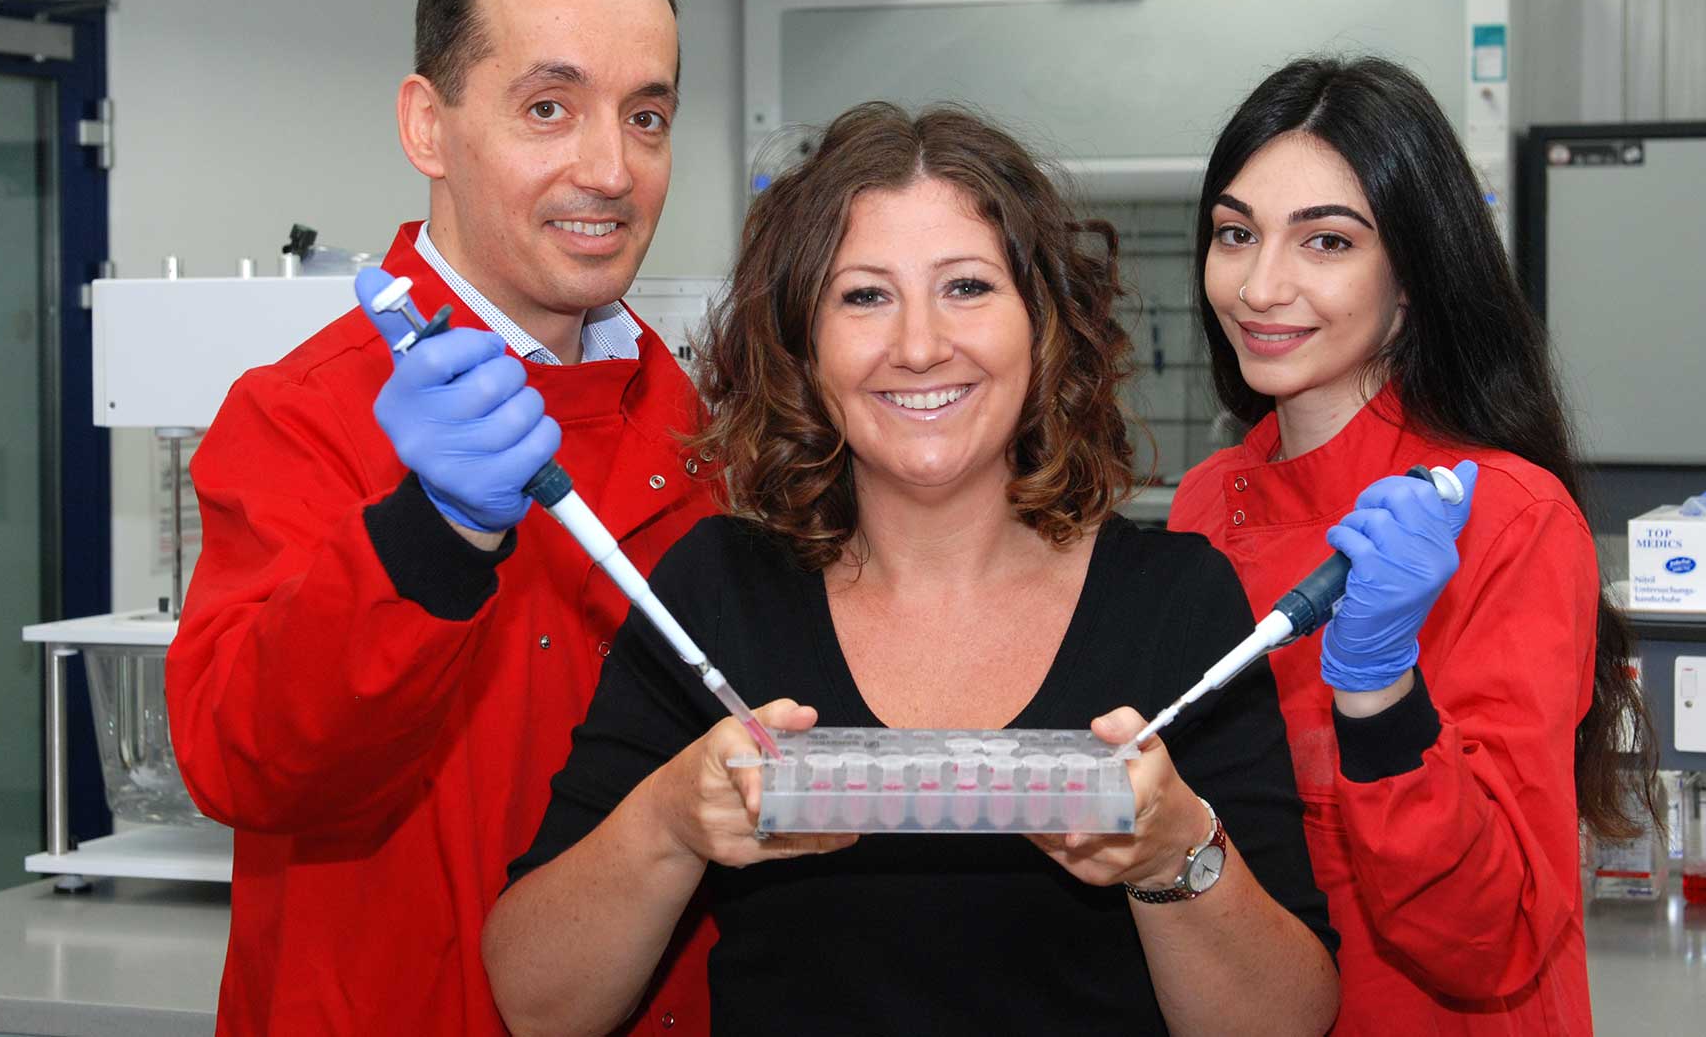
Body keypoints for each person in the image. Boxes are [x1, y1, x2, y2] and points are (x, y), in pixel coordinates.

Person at [482, 102, 1360, 1037]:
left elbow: (1287, 1023)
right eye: (864, 296)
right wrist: (668, 821)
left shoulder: (1178, 604)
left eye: (968, 287)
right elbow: (540, 1004)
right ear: (802, 342)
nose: (918, 345)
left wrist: (1179, 856)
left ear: (1044, 323)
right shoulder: (715, 591)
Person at [166, 0, 720, 1035]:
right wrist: (431, 534)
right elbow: (243, 762)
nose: (611, 169)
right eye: (549, 108)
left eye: (647, 117)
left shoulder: (696, 430)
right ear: (428, 125)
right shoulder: (302, 418)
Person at [1169, 56, 1655, 1035]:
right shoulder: (1206, 503)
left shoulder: (1506, 516)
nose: (1262, 285)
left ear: (1413, 277)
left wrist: (1383, 699)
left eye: (1328, 241)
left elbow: (1497, 941)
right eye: (1236, 234)